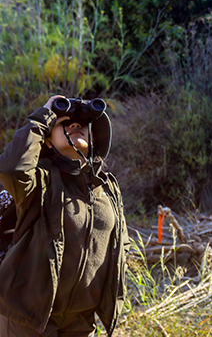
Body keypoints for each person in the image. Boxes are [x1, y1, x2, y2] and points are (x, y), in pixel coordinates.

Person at [0, 95, 130, 336]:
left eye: (83, 124)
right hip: (27, 317)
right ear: (47, 141)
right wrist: (44, 115)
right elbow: (12, 169)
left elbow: (119, 242)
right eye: (65, 123)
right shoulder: (40, 182)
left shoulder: (107, 186)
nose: (75, 124)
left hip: (81, 321)